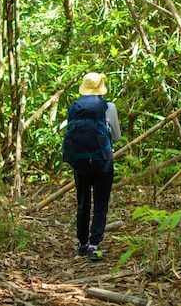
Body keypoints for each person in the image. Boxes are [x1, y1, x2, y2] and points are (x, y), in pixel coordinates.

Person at [62, 72, 121, 261]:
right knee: (100, 204)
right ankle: (94, 245)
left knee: (83, 202)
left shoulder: (74, 107)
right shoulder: (108, 107)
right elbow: (117, 136)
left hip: (79, 163)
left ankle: (81, 243)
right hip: (102, 162)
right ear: (101, 88)